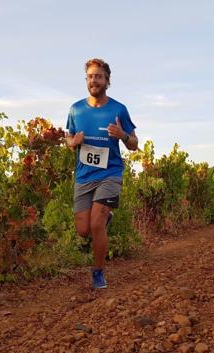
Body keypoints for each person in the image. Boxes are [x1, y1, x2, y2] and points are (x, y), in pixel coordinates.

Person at [66, 58, 138, 289]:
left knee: (96, 225)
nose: (94, 81)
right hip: (84, 176)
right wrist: (71, 142)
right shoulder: (75, 109)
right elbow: (69, 137)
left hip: (110, 173)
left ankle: (98, 272)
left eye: (98, 76)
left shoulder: (118, 109)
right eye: (90, 77)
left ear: (107, 81)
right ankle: (106, 218)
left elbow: (134, 143)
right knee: (83, 230)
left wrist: (122, 135)